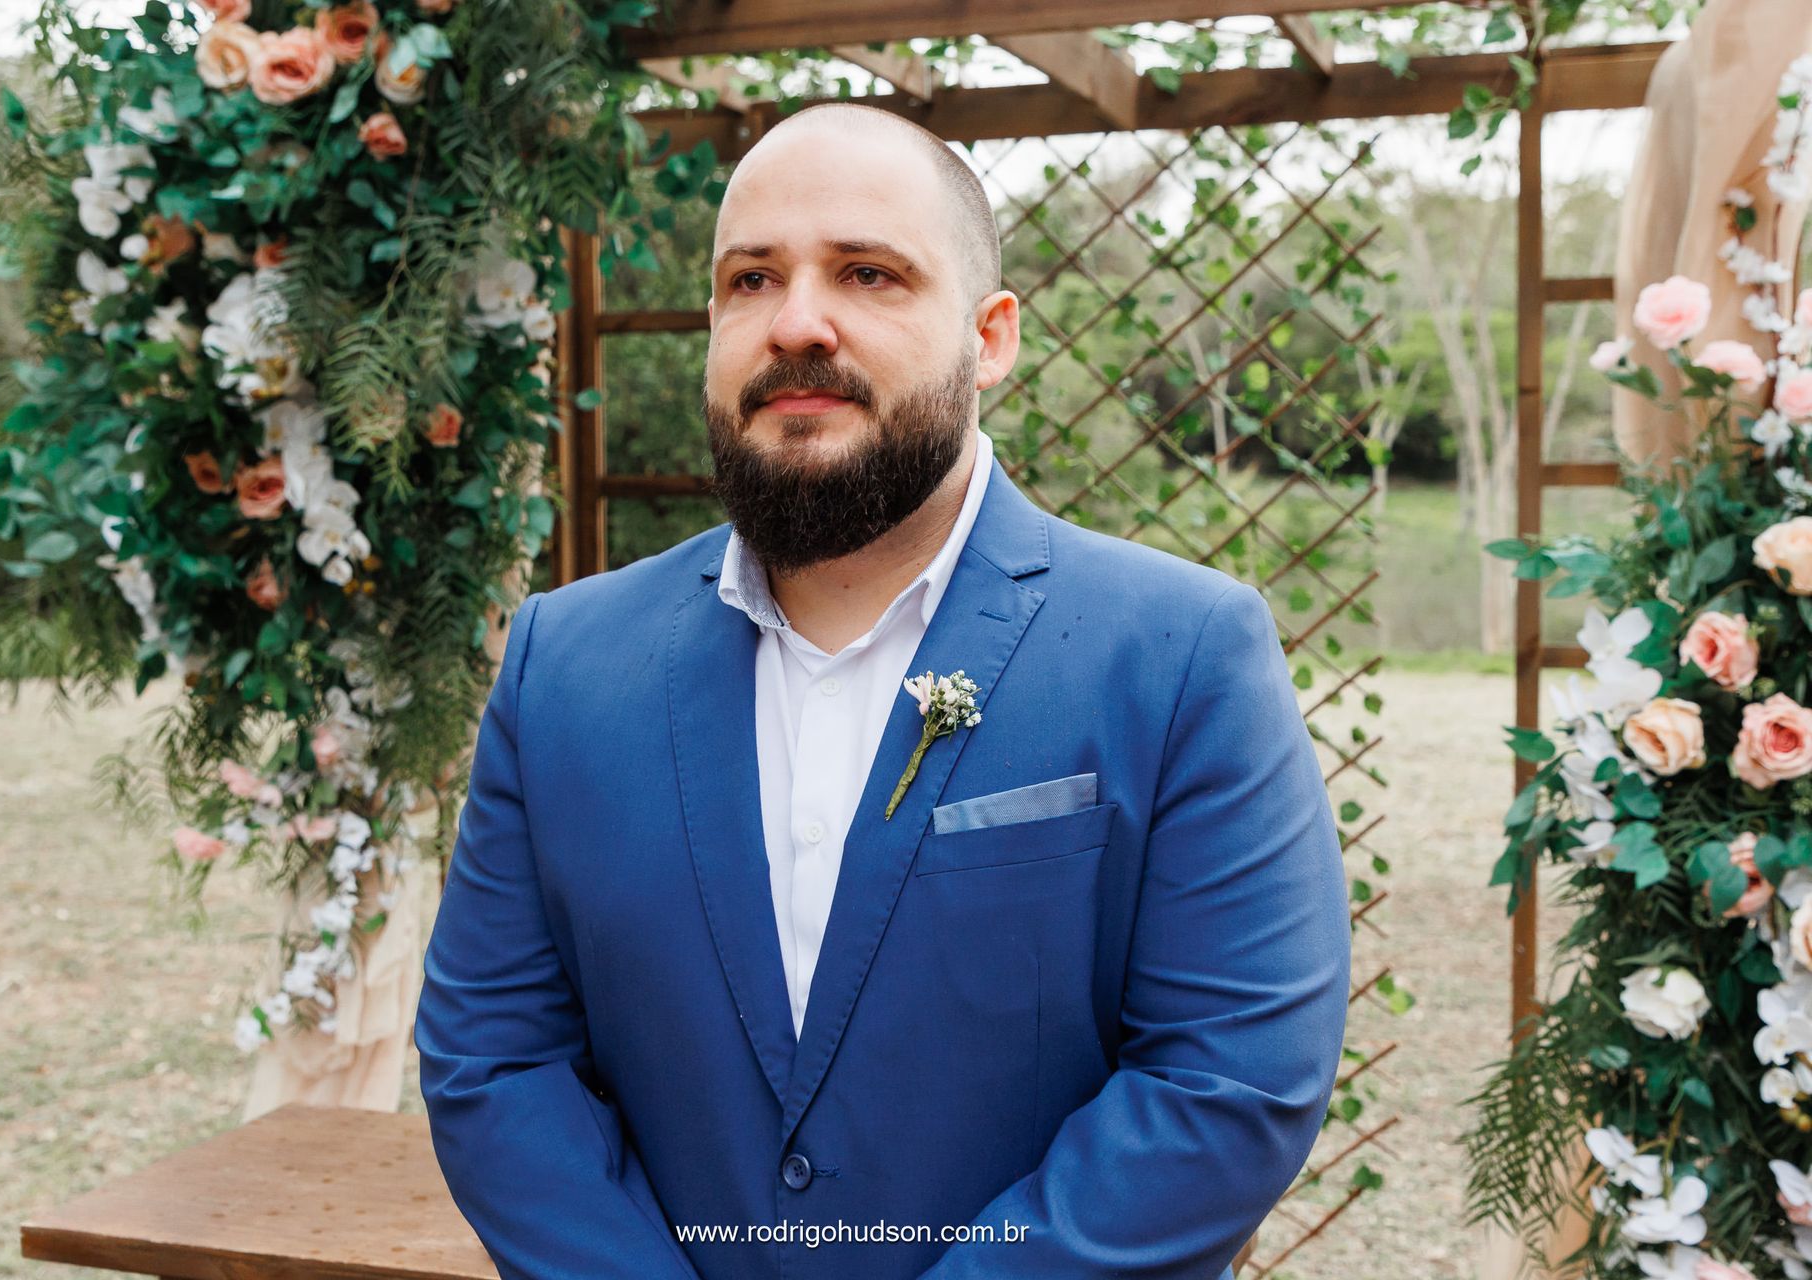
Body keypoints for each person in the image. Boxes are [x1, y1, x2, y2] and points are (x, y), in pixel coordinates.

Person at [413, 100, 1350, 1280]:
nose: (798, 323)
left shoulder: (1182, 654)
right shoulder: (563, 658)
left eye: (868, 273)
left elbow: (1228, 1081)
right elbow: (493, 1057)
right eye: (751, 280)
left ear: (991, 337)